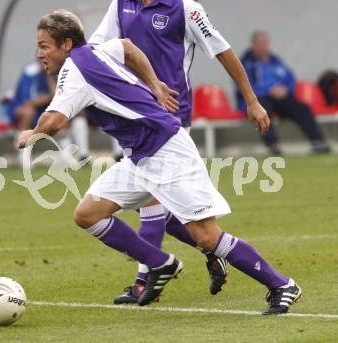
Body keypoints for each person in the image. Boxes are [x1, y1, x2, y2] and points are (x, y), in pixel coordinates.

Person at [18, 9, 301, 314]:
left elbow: (56, 119)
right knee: (88, 213)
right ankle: (160, 263)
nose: (39, 54)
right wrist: (153, 84)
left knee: (206, 235)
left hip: (166, 151)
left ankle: (282, 285)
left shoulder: (74, 69)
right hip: (139, 157)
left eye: (45, 46)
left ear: (67, 45)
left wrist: (31, 134)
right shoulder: (96, 50)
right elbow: (128, 47)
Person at [89, 0, 267, 304]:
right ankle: (212, 252)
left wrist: (251, 100)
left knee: (152, 205)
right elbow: (96, 49)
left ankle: (145, 282)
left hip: (172, 119)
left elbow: (222, 50)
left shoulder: (186, 9)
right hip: (136, 118)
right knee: (169, 216)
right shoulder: (120, 5)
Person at [237, 31, 330, 155]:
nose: (262, 46)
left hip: (280, 98)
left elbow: (291, 80)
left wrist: (285, 90)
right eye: (259, 43)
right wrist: (269, 90)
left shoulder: (276, 61)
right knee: (263, 110)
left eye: (264, 43)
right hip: (258, 99)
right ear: (253, 45)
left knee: (302, 108)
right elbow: (244, 85)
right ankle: (273, 145)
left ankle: (318, 141)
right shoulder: (245, 63)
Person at [8, 60, 90, 164]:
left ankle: (69, 154)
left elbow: (61, 99)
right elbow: (27, 102)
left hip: (44, 109)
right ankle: (23, 153)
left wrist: (50, 78)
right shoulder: (30, 72)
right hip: (26, 110)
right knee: (28, 112)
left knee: (67, 112)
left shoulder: (59, 71)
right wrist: (48, 98)